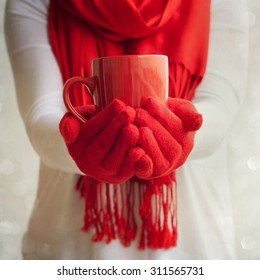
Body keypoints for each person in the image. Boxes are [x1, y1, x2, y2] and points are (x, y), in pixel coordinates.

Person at [4, 0, 248, 259]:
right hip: (70, 246)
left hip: (192, 247)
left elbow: (220, 104)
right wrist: (80, 147)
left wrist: (182, 138)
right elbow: (41, 114)